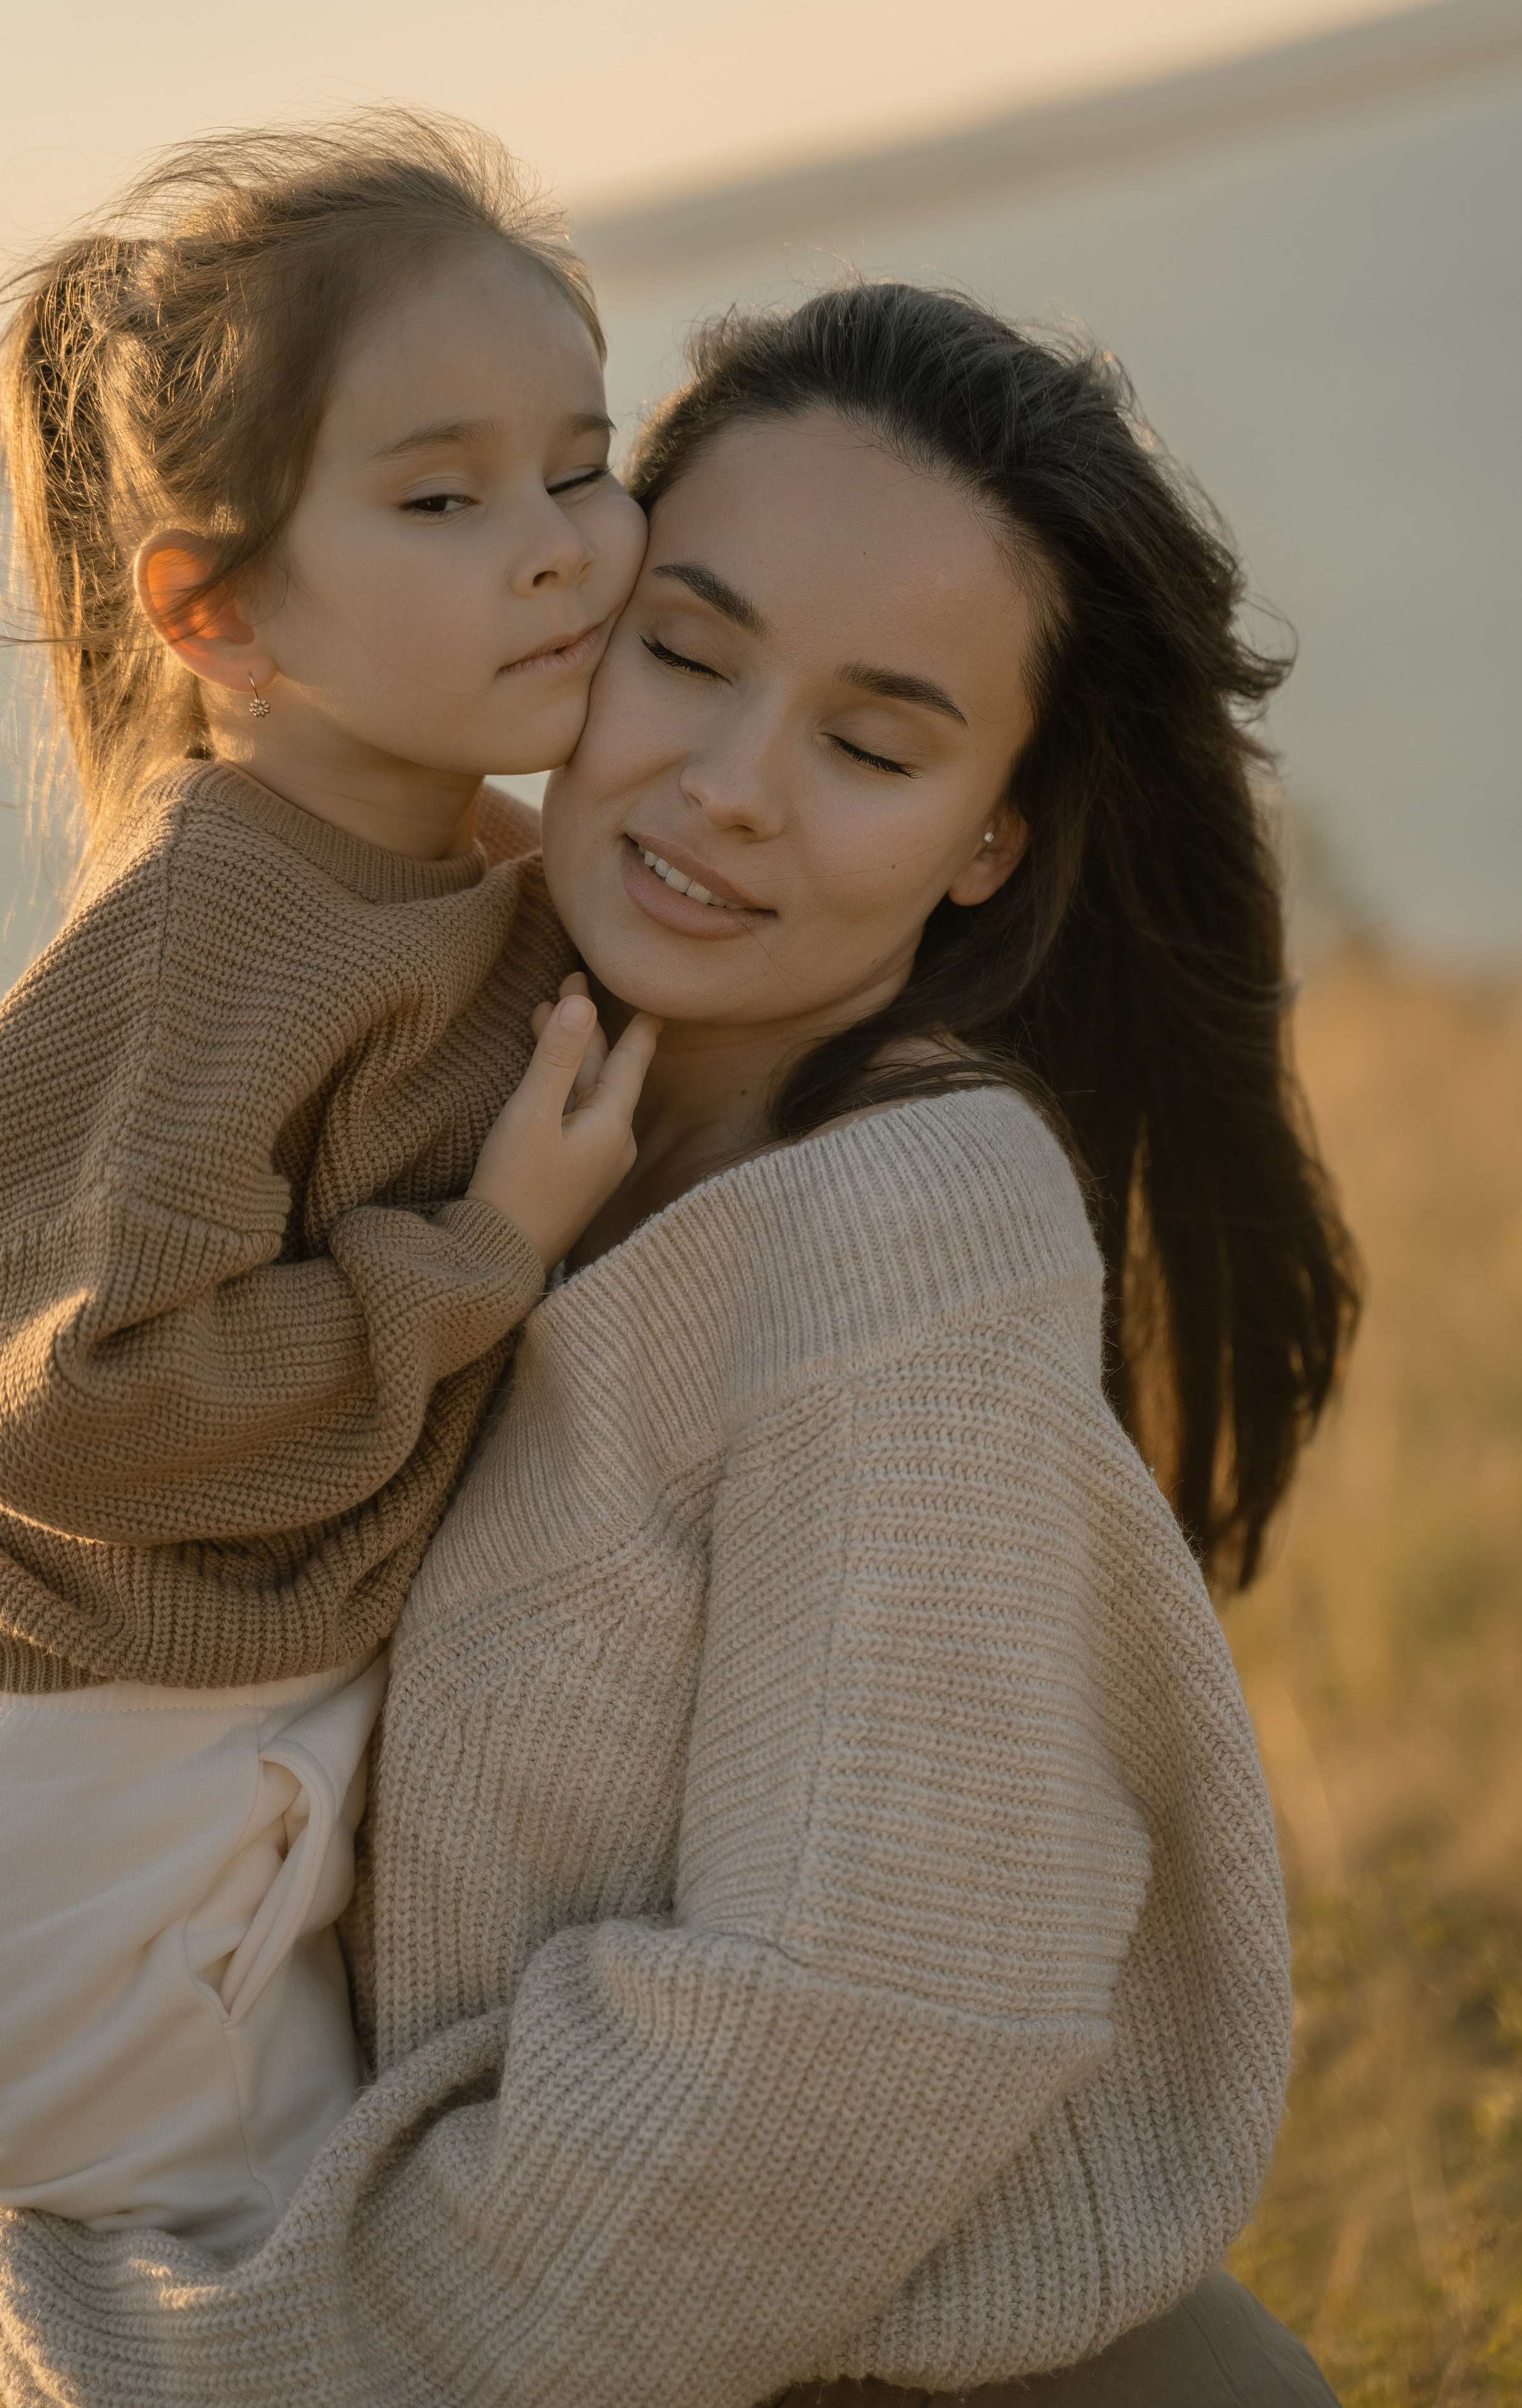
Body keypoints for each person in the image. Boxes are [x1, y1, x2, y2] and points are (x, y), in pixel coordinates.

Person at [0, 283, 1356, 2406]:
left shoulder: (909, 1246)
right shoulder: (458, 1061)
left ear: (989, 833)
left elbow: (839, 2036)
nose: (727, 787)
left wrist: (167, 2351)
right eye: (686, 654)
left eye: (875, 744)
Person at [0, 118, 655, 2253]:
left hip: (238, 1743)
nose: (559, 546)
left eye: (584, 462)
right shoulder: (211, 918)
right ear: (220, 608)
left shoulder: (460, 860)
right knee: (239, 2313)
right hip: (96, 1782)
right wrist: (482, 1256)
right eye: (445, 498)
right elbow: (79, 1399)